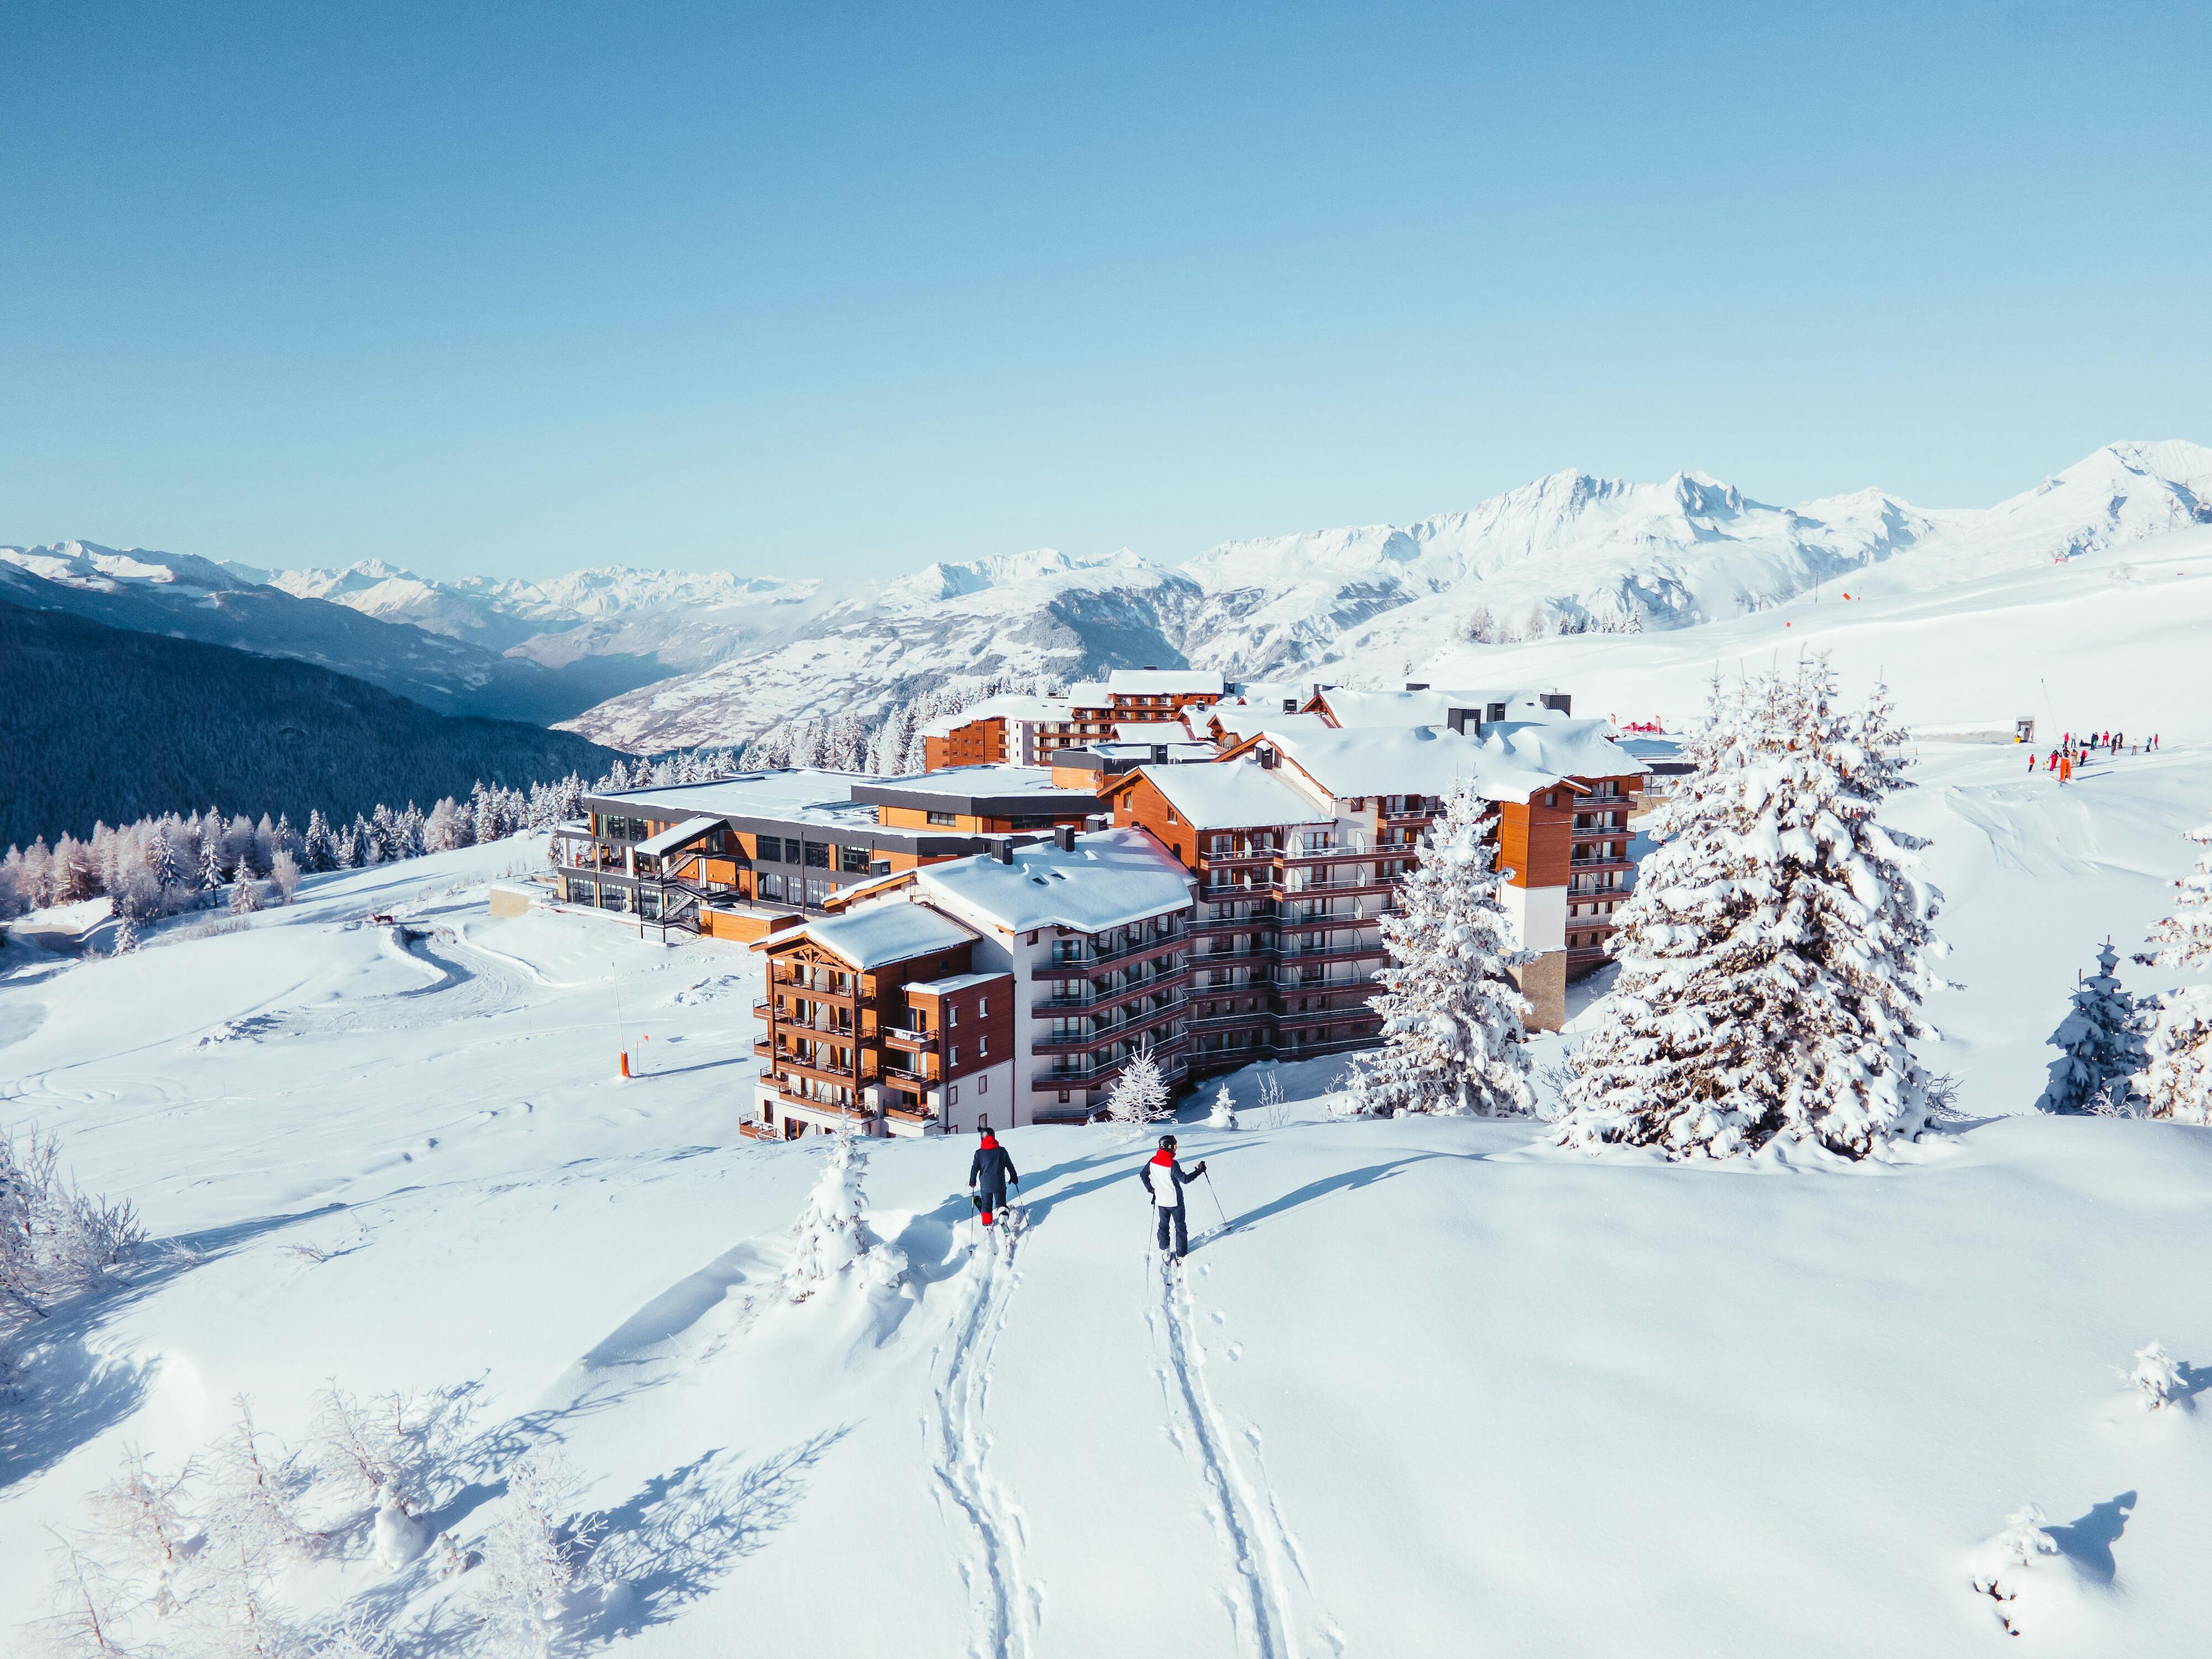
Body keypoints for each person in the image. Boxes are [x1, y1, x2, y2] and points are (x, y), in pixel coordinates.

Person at [1141, 1134, 1207, 1261]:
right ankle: (1181, 1254)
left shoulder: (1153, 1161)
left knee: (1163, 1226)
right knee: (1180, 1227)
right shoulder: (1172, 1164)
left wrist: (1150, 1189)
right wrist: (1199, 1171)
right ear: (1169, 1147)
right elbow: (1185, 1179)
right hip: (1176, 1203)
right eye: (1175, 1146)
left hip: (1161, 1201)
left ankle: (1165, 1251)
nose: (1176, 1148)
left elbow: (1143, 1174)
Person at [968, 1129, 1019, 1228]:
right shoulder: (1002, 1151)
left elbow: (975, 1169)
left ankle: (988, 1223)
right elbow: (1010, 1165)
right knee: (1001, 1203)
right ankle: (1003, 1215)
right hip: (999, 1184)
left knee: (986, 1205)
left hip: (986, 1185)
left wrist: (972, 1181)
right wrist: (1014, 1176)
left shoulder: (979, 1153)